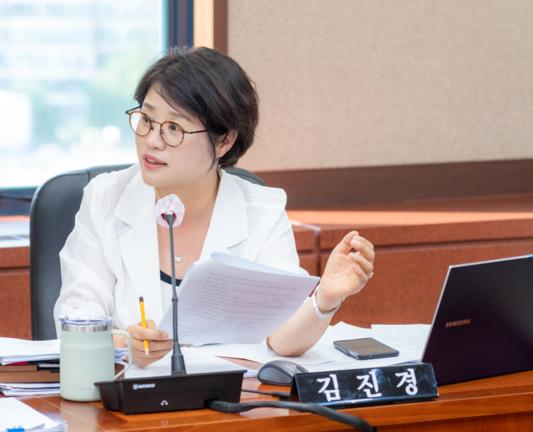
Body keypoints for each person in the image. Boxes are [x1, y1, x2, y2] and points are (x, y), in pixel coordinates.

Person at [54, 47, 375, 366]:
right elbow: (75, 314)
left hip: (229, 391)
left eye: (174, 128)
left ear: (224, 141)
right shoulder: (105, 198)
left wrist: (326, 297)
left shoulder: (262, 213)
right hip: (129, 388)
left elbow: (281, 337)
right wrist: (121, 344)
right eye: (147, 120)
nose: (152, 140)